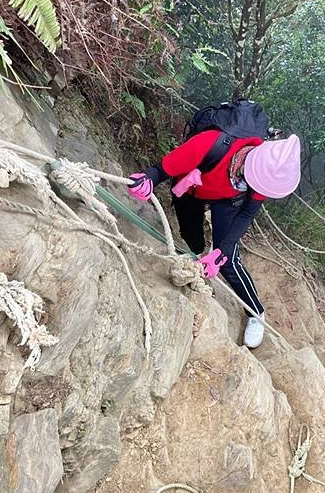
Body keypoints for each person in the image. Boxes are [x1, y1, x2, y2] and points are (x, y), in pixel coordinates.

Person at [127, 129, 300, 349]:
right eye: (253, 182)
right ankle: (198, 257)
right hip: (191, 188)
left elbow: (247, 213)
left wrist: (221, 251)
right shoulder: (209, 144)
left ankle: (256, 312)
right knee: (191, 237)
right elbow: (162, 169)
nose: (256, 191)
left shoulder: (264, 176)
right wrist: (146, 180)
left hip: (228, 200)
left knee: (228, 260)